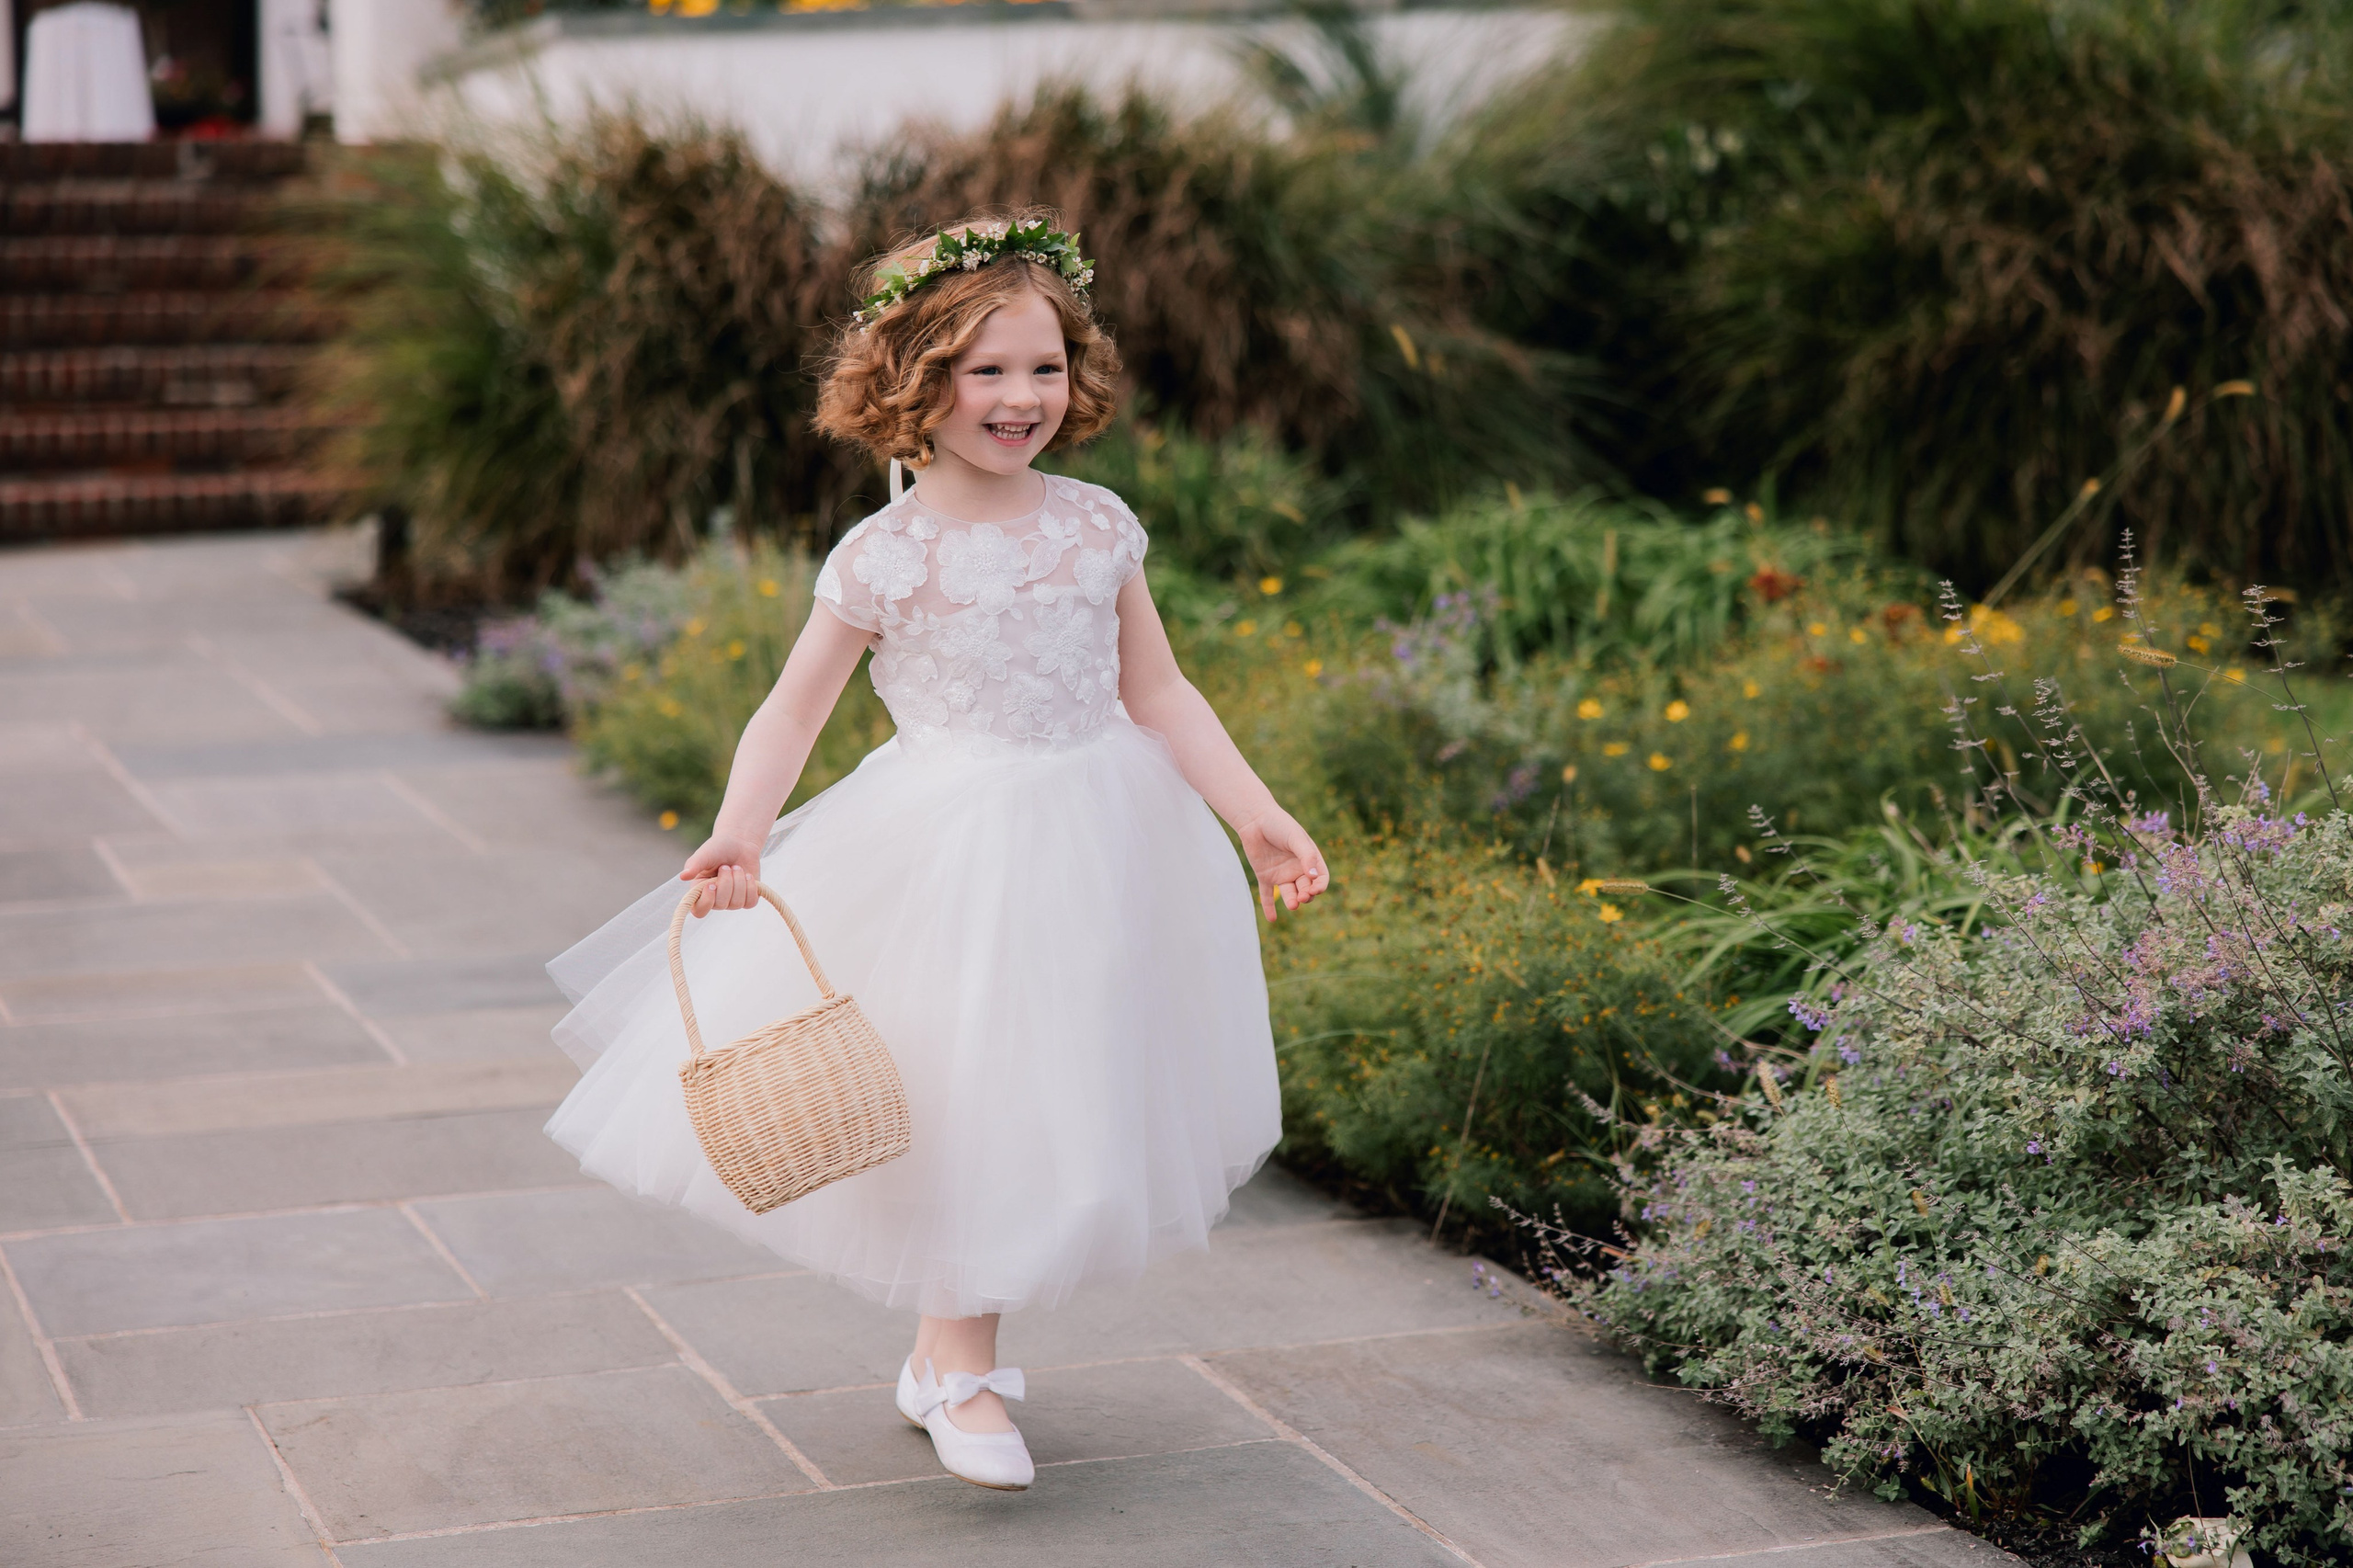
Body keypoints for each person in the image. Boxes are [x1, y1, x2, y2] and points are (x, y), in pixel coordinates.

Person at [542, 210, 1331, 1493]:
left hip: (1103, 837)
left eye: (1045, 367)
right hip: (954, 853)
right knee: (980, 1105)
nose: (1020, 397)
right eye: (985, 369)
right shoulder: (887, 554)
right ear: (914, 378)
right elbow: (793, 706)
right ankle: (962, 1369)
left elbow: (1162, 690)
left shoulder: (1096, 527)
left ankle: (940, 1355)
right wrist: (740, 831)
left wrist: (1254, 812)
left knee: (1060, 1100)